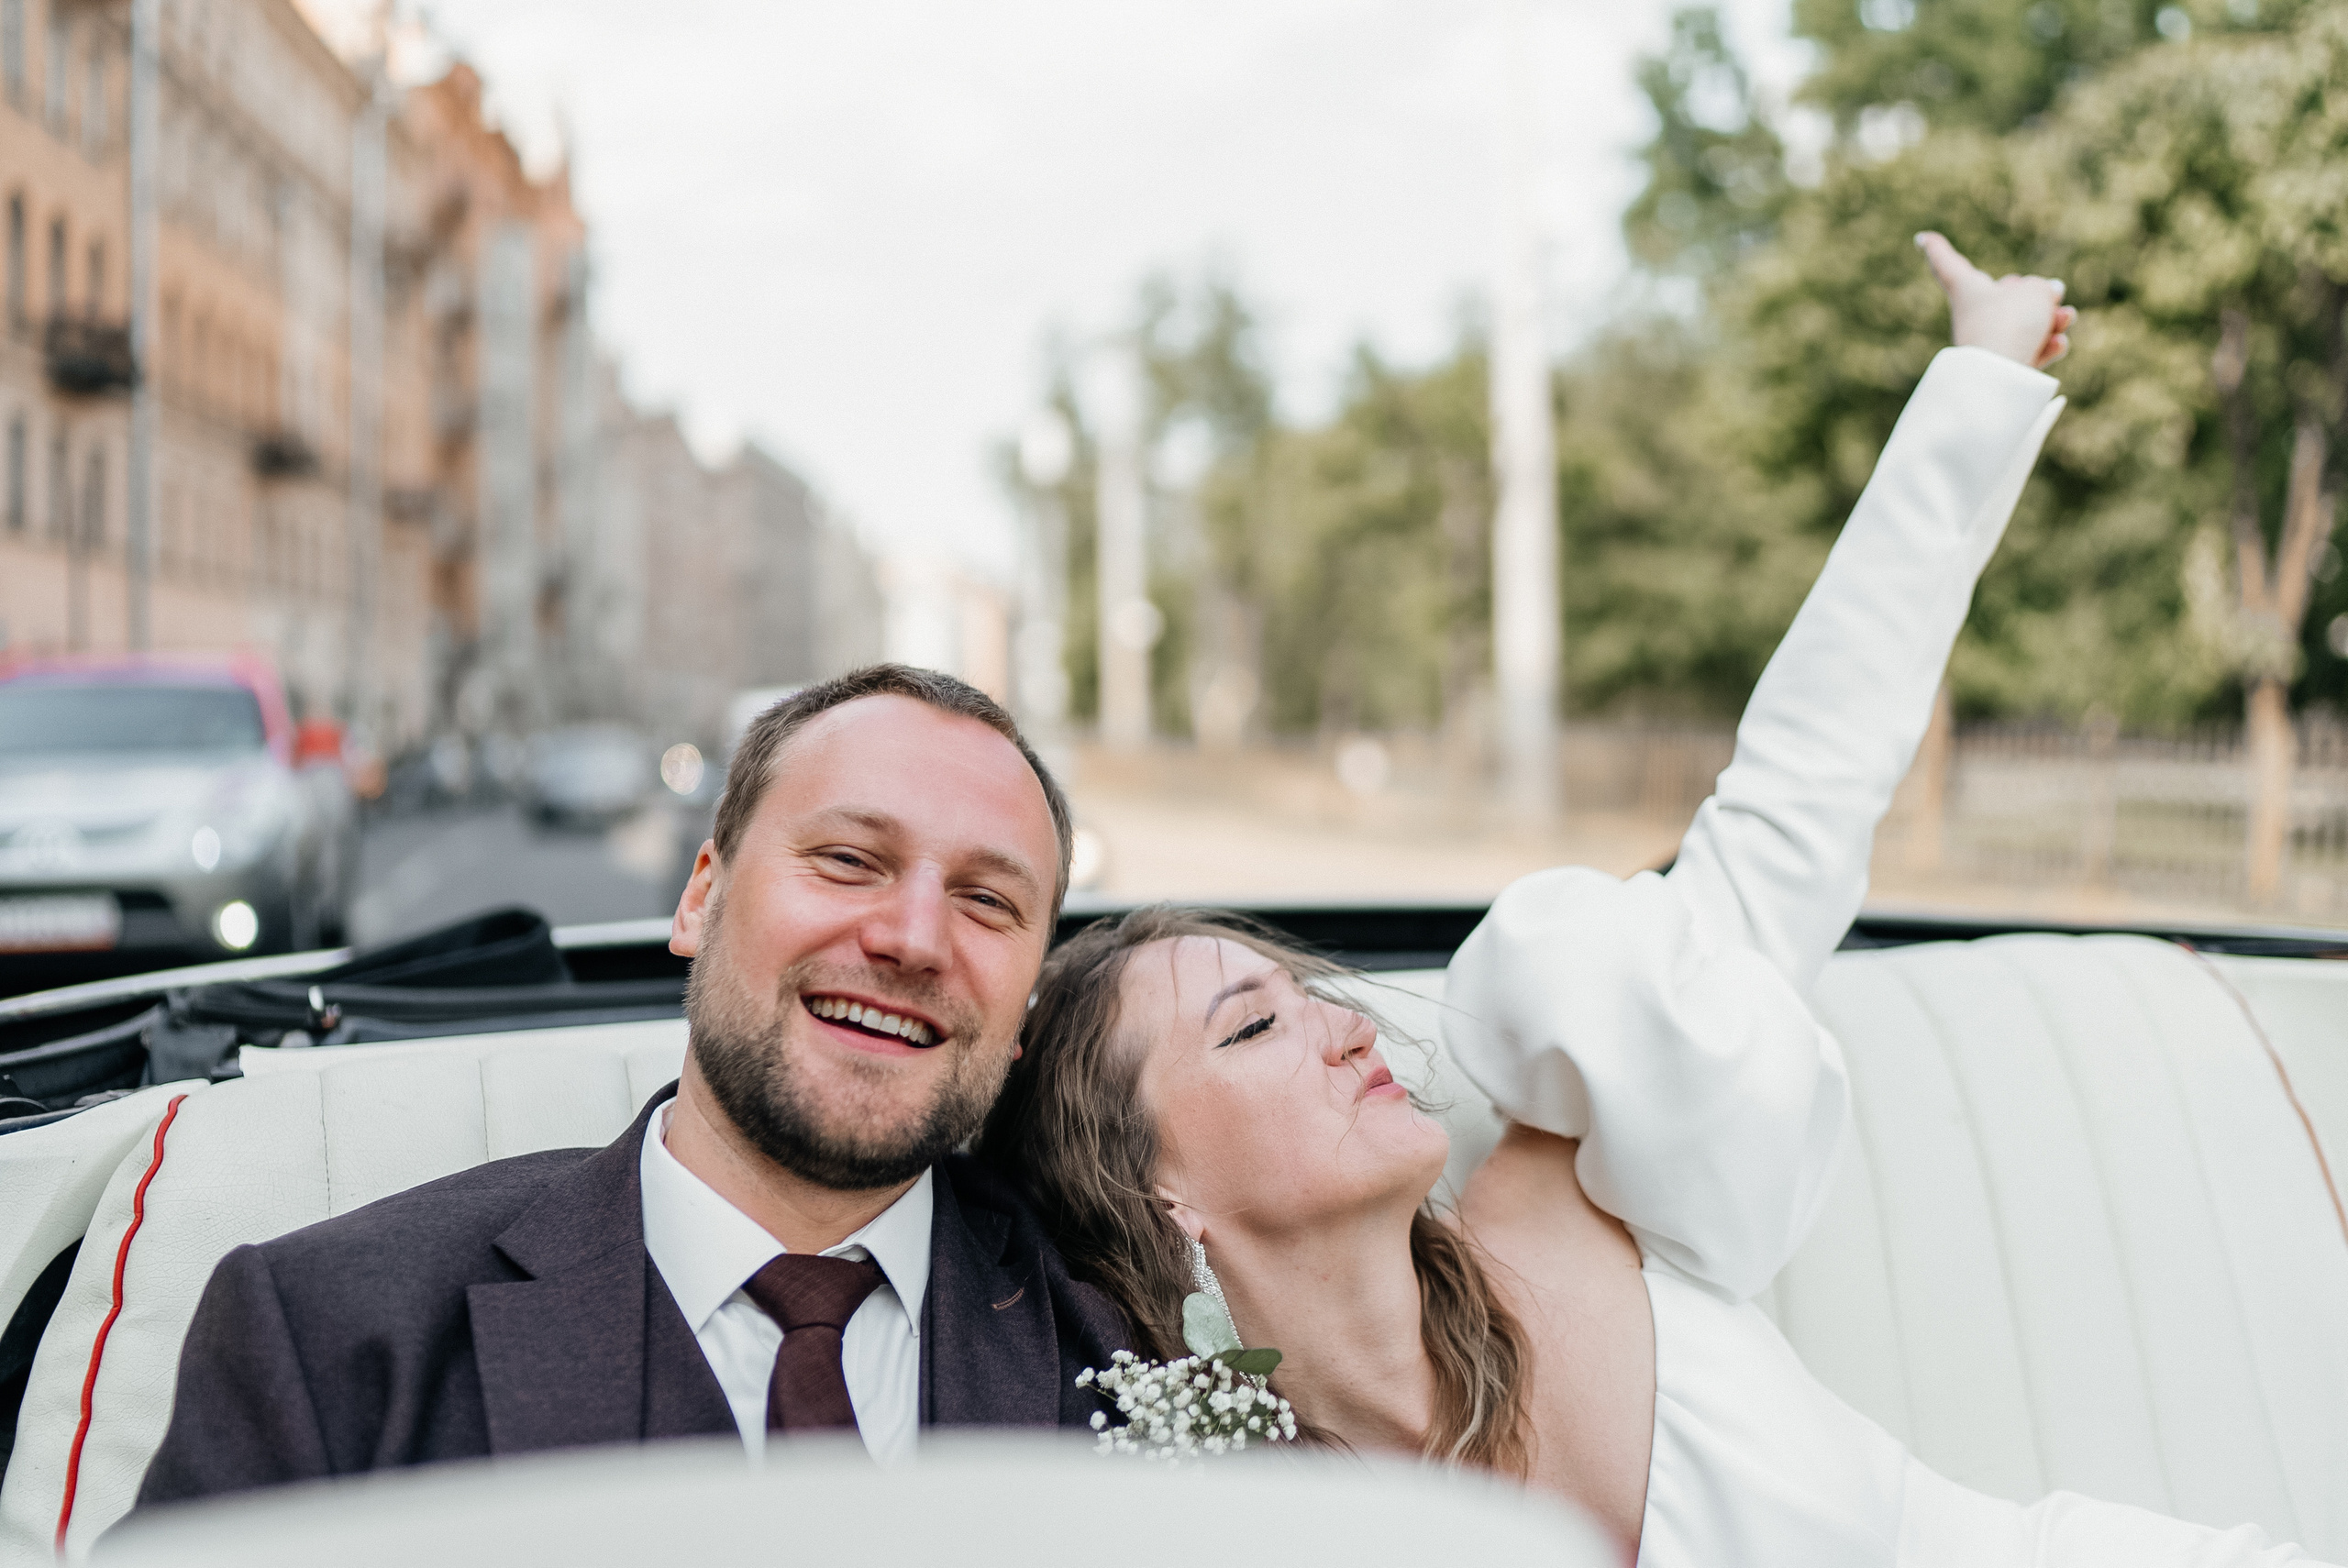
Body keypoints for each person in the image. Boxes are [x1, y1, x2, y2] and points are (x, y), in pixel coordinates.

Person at [980, 236, 2336, 1566]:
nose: (1343, 1028)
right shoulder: (1235, 1522)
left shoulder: (1565, 1191)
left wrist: (1974, 386)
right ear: (1158, 1190)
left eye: (1309, 995)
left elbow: (1794, 806)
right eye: (1250, 1028)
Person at [138, 668, 1127, 1505]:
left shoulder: (1133, 1346)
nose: (912, 938)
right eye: (846, 861)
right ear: (699, 897)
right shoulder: (323, 1338)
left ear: (1023, 1011)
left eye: (988, 901)